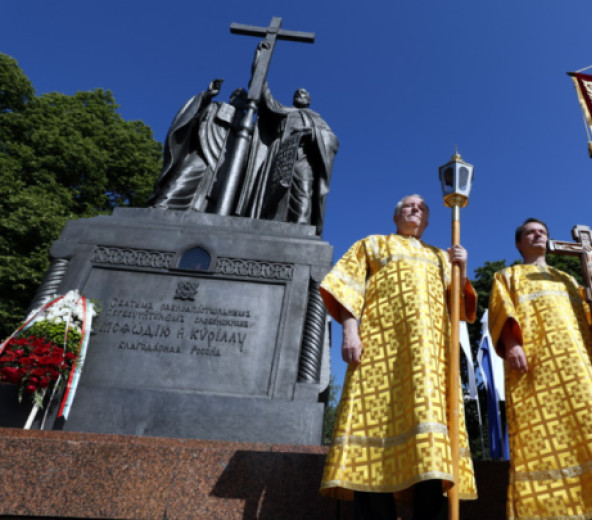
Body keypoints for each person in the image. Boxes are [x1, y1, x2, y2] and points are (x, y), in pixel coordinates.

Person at [319, 194, 476, 520]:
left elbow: (458, 309)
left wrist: (462, 268)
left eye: (422, 208)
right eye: (409, 205)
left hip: (429, 360)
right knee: (372, 432)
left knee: (429, 442)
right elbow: (347, 286)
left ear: (428, 221)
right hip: (379, 353)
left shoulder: (440, 256)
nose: (415, 209)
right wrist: (350, 331)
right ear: (396, 215)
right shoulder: (373, 244)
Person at [488, 218, 592, 520]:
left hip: (579, 366)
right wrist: (513, 344)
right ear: (519, 243)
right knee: (541, 441)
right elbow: (501, 310)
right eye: (530, 232)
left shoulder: (567, 280)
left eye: (542, 232)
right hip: (536, 369)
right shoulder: (507, 276)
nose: (538, 235)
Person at [238, 83, 339, 235]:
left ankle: (301, 228)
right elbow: (266, 98)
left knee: (303, 192)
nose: (301, 94)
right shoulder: (283, 111)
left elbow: (332, 140)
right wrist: (262, 68)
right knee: (275, 194)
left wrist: (311, 132)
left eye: (304, 93)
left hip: (303, 157)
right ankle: (270, 227)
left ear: (309, 100)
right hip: (280, 155)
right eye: (298, 93)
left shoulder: (317, 119)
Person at [148, 80, 247, 211]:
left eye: (242, 96)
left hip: (225, 165)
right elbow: (193, 118)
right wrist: (206, 96)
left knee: (207, 202)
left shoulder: (248, 124)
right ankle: (162, 207)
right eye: (235, 94)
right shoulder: (215, 107)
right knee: (179, 183)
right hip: (204, 153)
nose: (237, 98)